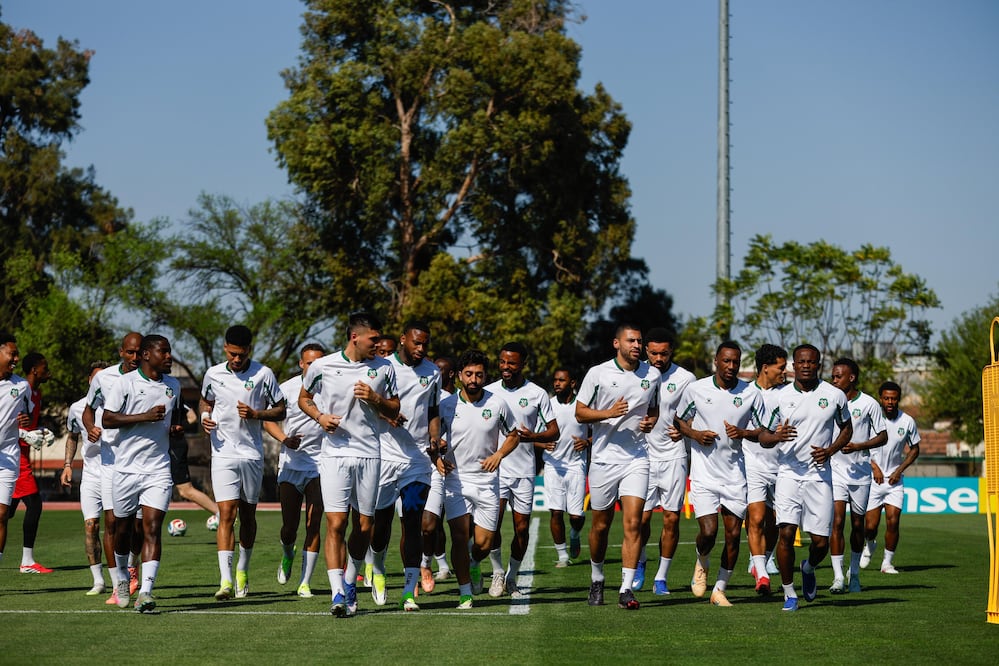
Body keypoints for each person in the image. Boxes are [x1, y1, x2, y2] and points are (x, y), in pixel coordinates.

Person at [297, 312, 400, 618]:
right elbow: (305, 398)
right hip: (335, 455)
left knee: (364, 526)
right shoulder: (323, 366)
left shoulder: (384, 367)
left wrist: (375, 398)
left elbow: (395, 407)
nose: (378, 344)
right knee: (336, 523)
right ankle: (338, 593)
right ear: (356, 337)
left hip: (370, 453)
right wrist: (320, 417)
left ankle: (349, 576)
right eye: (373, 339)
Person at [675, 341, 780, 607]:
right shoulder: (696, 389)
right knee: (709, 532)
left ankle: (719, 589)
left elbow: (763, 431)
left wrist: (744, 433)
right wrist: (695, 434)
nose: (732, 366)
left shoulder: (750, 394)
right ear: (716, 361)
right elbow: (678, 421)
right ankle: (702, 561)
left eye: (736, 362)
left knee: (734, 535)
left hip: (735, 474)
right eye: (727, 361)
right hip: (704, 474)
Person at [575, 323, 660, 610]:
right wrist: (608, 413)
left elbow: (653, 409)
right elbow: (580, 411)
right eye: (631, 340)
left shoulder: (653, 375)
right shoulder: (597, 373)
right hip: (602, 459)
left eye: (639, 340)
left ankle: (626, 589)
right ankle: (597, 578)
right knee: (600, 526)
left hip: (637, 459)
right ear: (616, 344)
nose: (637, 345)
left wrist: (650, 422)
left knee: (634, 523)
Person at [201, 325, 287, 601]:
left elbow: (281, 408)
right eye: (233, 353)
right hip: (223, 452)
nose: (237, 359)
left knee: (248, 516)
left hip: (251, 454)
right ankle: (225, 581)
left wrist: (257, 413)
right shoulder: (213, 373)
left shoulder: (264, 373)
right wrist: (204, 416)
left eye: (242, 354)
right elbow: (205, 402)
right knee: (226, 513)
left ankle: (242, 569)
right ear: (225, 348)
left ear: (250, 349)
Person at [431, 349, 520, 609]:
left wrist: (500, 454)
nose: (473, 379)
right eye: (468, 374)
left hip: (487, 482)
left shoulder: (497, 403)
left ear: (485, 376)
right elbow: (434, 440)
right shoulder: (447, 406)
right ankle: (465, 592)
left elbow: (514, 434)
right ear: (459, 376)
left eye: (479, 375)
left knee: (483, 543)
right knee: (459, 537)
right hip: (456, 481)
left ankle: (473, 564)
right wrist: (437, 458)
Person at [102, 334, 185, 612]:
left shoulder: (174, 385)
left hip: (158, 469)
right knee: (122, 530)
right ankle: (123, 579)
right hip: (125, 469)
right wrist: (143, 417)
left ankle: (146, 592)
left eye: (170, 352)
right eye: (164, 352)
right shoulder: (125, 383)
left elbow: (174, 419)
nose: (169, 357)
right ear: (147, 355)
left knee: (151, 528)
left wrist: (175, 429)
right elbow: (107, 419)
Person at [766, 344, 852, 612]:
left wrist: (830, 450)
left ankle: (809, 566)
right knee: (787, 533)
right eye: (801, 361)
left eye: (811, 362)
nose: (805, 365)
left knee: (820, 542)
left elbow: (847, 428)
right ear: (793, 364)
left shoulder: (835, 395)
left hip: (819, 475)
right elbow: (763, 436)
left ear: (818, 364)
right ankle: (790, 594)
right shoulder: (778, 397)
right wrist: (776, 436)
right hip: (789, 473)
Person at [369, 321, 440, 610]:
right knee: (381, 524)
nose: (421, 349)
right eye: (416, 343)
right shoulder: (382, 367)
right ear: (402, 340)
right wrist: (388, 417)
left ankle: (409, 592)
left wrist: (434, 437)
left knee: (413, 525)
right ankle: (379, 569)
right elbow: (369, 404)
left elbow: (433, 410)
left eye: (425, 344)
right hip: (385, 456)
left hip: (417, 461)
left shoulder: (433, 371)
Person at [485, 342, 558, 598]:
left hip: (525, 470)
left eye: (512, 363)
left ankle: (512, 577)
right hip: (496, 469)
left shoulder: (537, 393)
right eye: (503, 362)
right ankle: (496, 574)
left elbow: (553, 431)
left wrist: (532, 437)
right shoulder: (488, 391)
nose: (506, 367)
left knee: (521, 529)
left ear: (523, 364)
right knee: (491, 526)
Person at [84, 332, 144, 605]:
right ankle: (118, 582)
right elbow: (88, 409)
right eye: (130, 352)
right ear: (121, 352)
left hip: (142, 461)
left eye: (139, 352)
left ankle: (132, 568)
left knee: (139, 528)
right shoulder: (104, 378)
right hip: (110, 461)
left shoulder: (153, 378)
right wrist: (90, 427)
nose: (134, 357)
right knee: (112, 523)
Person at [263, 343, 326, 599]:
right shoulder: (287, 388)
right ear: (301, 364)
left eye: (319, 362)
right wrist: (284, 439)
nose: (315, 367)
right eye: (310, 363)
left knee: (314, 524)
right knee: (289, 526)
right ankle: (287, 552)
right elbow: (269, 420)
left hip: (321, 463)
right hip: (291, 463)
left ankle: (304, 582)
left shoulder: (332, 387)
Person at [639, 328, 695, 595]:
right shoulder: (637, 374)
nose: (658, 358)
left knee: (672, 518)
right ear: (646, 352)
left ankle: (661, 577)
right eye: (653, 353)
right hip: (642, 456)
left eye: (664, 353)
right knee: (641, 519)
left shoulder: (686, 378)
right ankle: (639, 560)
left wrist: (685, 427)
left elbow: (696, 413)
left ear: (671, 351)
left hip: (674, 455)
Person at [828, 358, 887, 594]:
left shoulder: (869, 404)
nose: (834, 380)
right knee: (837, 522)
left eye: (838, 376)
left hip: (860, 473)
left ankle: (854, 574)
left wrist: (860, 445)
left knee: (857, 525)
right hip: (834, 471)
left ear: (851, 378)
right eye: (832, 376)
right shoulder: (829, 401)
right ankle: (838, 577)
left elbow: (882, 436)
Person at [60, 361, 110, 594]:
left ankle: (125, 574)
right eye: (95, 378)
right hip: (90, 474)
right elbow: (72, 436)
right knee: (91, 525)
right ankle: (98, 581)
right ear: (90, 381)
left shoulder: (118, 404)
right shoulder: (78, 408)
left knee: (118, 527)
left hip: (116, 473)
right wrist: (67, 465)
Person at [744, 344, 789, 595]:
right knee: (757, 517)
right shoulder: (745, 392)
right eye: (781, 367)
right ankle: (761, 573)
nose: (785, 372)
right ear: (765, 368)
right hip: (752, 463)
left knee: (775, 523)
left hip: (781, 465)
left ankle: (764, 557)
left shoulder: (787, 394)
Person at [862, 380, 919, 574]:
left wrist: (899, 470)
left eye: (893, 399)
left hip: (895, 481)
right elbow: (860, 447)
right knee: (870, 526)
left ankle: (887, 563)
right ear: (880, 399)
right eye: (886, 398)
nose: (890, 402)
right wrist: (874, 466)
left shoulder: (907, 421)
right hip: (872, 479)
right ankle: (869, 543)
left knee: (893, 521)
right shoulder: (870, 419)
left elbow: (914, 449)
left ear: (898, 400)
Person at [9, 352, 53, 574]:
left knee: (6, 512)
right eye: (45, 367)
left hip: (22, 454)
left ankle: (27, 561)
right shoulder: (21, 388)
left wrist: (42, 431)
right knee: (35, 504)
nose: (49, 371)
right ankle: (27, 561)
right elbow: (12, 420)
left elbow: (28, 422)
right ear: (35, 370)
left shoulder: (37, 392)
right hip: (15, 455)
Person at [545, 367, 589, 569]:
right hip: (553, 465)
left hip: (576, 464)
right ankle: (562, 556)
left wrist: (587, 441)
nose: (557, 383)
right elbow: (533, 436)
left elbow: (601, 432)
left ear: (572, 383)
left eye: (561, 380)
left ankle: (575, 533)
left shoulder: (584, 406)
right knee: (555, 512)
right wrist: (541, 444)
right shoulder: (547, 405)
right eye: (555, 380)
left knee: (576, 516)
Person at [419, 356, 456, 592]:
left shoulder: (449, 401)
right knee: (409, 525)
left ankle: (427, 564)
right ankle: (413, 572)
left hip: (437, 466)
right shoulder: (409, 391)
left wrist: (441, 444)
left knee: (431, 524)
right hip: (406, 464)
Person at [0, 333, 32, 570]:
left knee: (2, 515)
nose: (16, 358)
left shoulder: (21, 386)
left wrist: (26, 418)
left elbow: (27, 415)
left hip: (7, 457)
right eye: (12, 353)